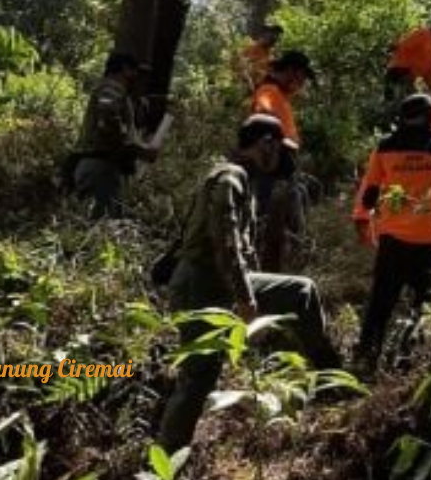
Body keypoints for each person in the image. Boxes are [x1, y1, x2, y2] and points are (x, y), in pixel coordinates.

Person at [158, 114, 342, 451]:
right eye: (277, 148)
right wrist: (246, 299)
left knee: (301, 291)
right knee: (198, 377)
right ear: (264, 144)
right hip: (203, 283)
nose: (281, 158)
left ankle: (327, 379)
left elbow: (238, 245)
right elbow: (225, 242)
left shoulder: (238, 177)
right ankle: (164, 462)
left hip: (214, 281)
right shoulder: (231, 177)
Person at [352, 94, 431, 370]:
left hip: (393, 240)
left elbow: (369, 188)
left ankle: (366, 359)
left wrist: (362, 219)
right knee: (425, 306)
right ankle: (411, 363)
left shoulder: (387, 146)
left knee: (380, 305)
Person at [248, 50, 316, 271]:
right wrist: (281, 146)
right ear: (293, 72)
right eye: (303, 77)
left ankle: (283, 266)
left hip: (282, 176)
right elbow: (263, 120)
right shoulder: (268, 92)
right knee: (267, 226)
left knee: (288, 226)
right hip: (270, 176)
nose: (302, 84)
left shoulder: (280, 95)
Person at [73, 51, 157, 218]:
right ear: (124, 69)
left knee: (105, 226)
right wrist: (136, 149)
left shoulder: (120, 92)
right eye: (135, 71)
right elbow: (108, 119)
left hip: (105, 168)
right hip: (100, 167)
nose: (138, 78)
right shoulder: (111, 87)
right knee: (102, 228)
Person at [385, 9, 431, 103]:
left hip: (409, 82)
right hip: (397, 77)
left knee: (420, 104)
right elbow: (399, 47)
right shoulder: (422, 34)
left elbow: (429, 80)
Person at [237, 23, 283, 92]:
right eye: (272, 36)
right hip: (246, 88)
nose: (274, 40)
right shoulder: (251, 48)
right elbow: (244, 69)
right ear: (263, 34)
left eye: (276, 38)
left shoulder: (270, 54)